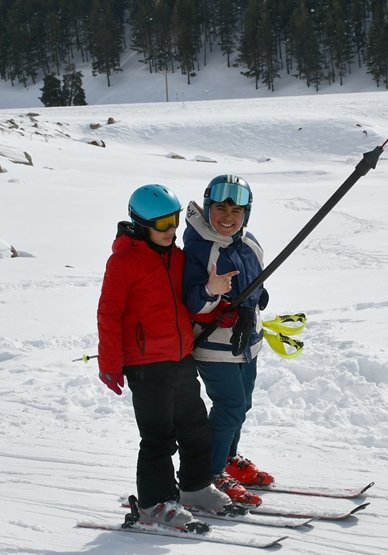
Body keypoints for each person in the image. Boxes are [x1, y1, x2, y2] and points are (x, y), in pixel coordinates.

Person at [96, 184, 231, 530]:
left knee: (195, 428)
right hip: (145, 365)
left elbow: (188, 301)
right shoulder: (123, 262)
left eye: (174, 222)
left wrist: (221, 310)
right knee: (158, 438)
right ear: (142, 225)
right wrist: (110, 363)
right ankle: (154, 504)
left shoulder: (178, 256)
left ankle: (195, 487)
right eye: (162, 225)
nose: (171, 230)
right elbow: (108, 314)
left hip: (180, 356)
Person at [181, 174, 275, 506]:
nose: (227, 217)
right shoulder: (199, 247)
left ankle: (229, 456)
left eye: (236, 211)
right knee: (229, 406)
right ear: (207, 208)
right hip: (214, 345)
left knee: (242, 404)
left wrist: (258, 298)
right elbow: (193, 301)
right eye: (220, 208)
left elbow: (255, 281)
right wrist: (211, 291)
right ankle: (211, 471)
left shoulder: (249, 243)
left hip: (247, 342)